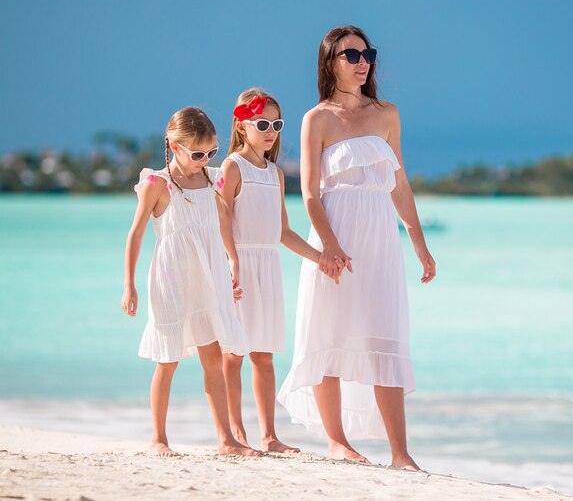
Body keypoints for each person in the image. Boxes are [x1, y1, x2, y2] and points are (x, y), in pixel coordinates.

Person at [277, 26, 436, 470]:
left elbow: (399, 184)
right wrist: (329, 245)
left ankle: (401, 454)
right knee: (327, 331)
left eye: (367, 53)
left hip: (382, 239)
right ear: (330, 62)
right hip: (334, 232)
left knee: (385, 335)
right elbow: (309, 193)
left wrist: (420, 245)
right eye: (351, 54)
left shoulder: (387, 114)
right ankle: (337, 441)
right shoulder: (318, 119)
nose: (362, 61)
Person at [121, 106, 261, 457]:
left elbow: (219, 228)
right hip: (171, 280)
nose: (204, 159)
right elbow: (135, 235)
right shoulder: (157, 183)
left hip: (207, 278)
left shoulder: (213, 179)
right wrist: (129, 284)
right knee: (167, 361)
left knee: (212, 357)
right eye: (197, 153)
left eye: (211, 152)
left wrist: (232, 264)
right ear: (173, 144)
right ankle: (158, 439)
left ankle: (226, 440)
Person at [218, 88, 339, 453]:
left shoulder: (275, 173)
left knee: (264, 355)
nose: (271, 131)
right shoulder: (232, 167)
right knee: (233, 353)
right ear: (243, 126)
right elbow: (221, 215)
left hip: (268, 267)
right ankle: (235, 433)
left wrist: (320, 258)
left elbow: (283, 231)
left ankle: (269, 436)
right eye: (262, 123)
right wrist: (231, 260)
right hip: (239, 265)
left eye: (276, 123)